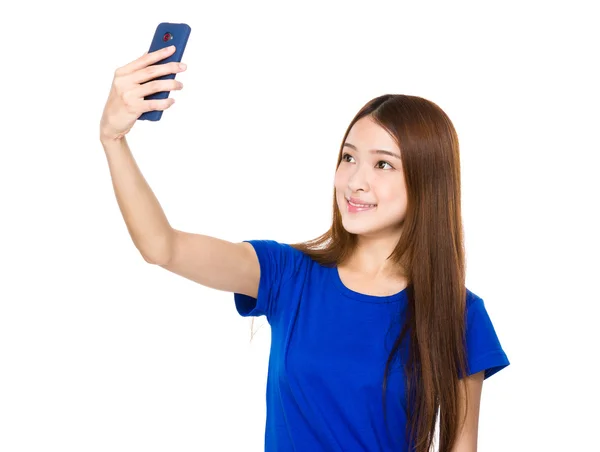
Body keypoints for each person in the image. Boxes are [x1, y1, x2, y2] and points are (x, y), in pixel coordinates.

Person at [100, 46, 510, 452]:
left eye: (382, 164)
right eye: (349, 158)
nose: (355, 181)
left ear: (428, 182)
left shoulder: (458, 313)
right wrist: (113, 138)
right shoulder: (287, 274)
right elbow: (162, 246)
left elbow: (461, 444)